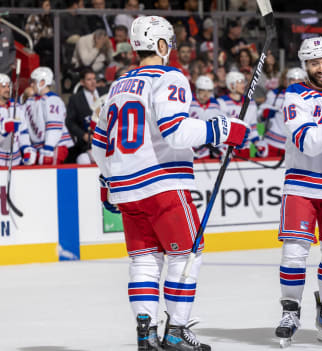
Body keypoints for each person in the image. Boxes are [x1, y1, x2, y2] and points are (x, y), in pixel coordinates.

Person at [91, 16, 249, 351]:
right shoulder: (169, 76)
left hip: (126, 188)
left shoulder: (118, 84)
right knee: (188, 254)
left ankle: (145, 334)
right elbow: (175, 131)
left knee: (145, 261)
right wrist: (223, 131)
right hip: (161, 182)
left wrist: (107, 179)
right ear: (161, 45)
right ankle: (176, 332)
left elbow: (98, 142)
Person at [274, 36, 322, 346]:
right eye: (314, 63)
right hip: (302, 185)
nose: (321, 68)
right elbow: (306, 140)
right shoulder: (294, 96)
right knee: (295, 253)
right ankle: (290, 311)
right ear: (304, 65)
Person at [23, 66, 74, 164]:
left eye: (34, 81)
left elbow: (54, 128)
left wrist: (48, 148)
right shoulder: (30, 101)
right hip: (38, 147)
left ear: (42, 83)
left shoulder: (52, 100)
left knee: (50, 175)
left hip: (55, 146)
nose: (31, 84)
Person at [257, 67, 307, 157]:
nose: (295, 83)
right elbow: (259, 115)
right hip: (272, 143)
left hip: (295, 147)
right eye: (292, 80)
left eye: (299, 80)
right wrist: (264, 113)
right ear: (287, 81)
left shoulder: (310, 99)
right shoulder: (274, 95)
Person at [217, 71, 265, 158]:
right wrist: (222, 147)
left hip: (245, 148)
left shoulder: (250, 103)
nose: (243, 85)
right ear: (231, 85)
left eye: (243, 82)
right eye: (239, 82)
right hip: (228, 149)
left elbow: (252, 127)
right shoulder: (222, 102)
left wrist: (257, 143)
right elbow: (220, 129)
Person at [65, 68, 106, 164]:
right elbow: (70, 122)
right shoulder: (75, 99)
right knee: (83, 160)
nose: (93, 82)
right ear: (82, 82)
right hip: (87, 145)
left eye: (94, 79)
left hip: (108, 141)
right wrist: (84, 135)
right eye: (89, 80)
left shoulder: (105, 92)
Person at [0, 74, 36, 166]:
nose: (7, 89)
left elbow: (23, 132)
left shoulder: (17, 107)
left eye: (9, 86)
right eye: (3, 86)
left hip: (15, 163)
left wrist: (27, 149)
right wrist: (4, 133)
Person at [189, 75, 223, 159]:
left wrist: (220, 148)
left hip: (206, 151)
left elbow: (219, 127)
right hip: (189, 150)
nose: (206, 94)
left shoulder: (215, 104)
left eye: (209, 91)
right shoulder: (188, 102)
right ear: (197, 89)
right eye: (202, 90)